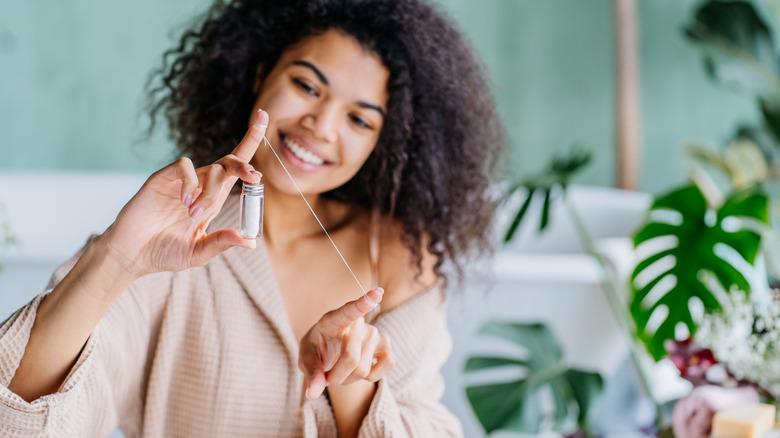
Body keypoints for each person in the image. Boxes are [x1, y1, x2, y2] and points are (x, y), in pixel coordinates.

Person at [0, 0, 505, 436]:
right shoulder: (178, 233)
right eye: (308, 86)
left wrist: (355, 389)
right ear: (262, 73)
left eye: (359, 118)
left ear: (384, 140)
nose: (322, 126)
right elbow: (19, 424)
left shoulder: (396, 255)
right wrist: (115, 260)